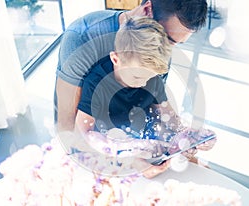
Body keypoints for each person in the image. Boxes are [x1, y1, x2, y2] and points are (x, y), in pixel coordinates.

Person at [55, 0, 216, 176]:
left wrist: (186, 137)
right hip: (101, 150)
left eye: (176, 43)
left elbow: (157, 110)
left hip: (135, 140)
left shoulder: (157, 52)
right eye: (168, 39)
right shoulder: (82, 38)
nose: (167, 49)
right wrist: (127, 160)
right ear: (147, 10)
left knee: (200, 171)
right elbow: (71, 131)